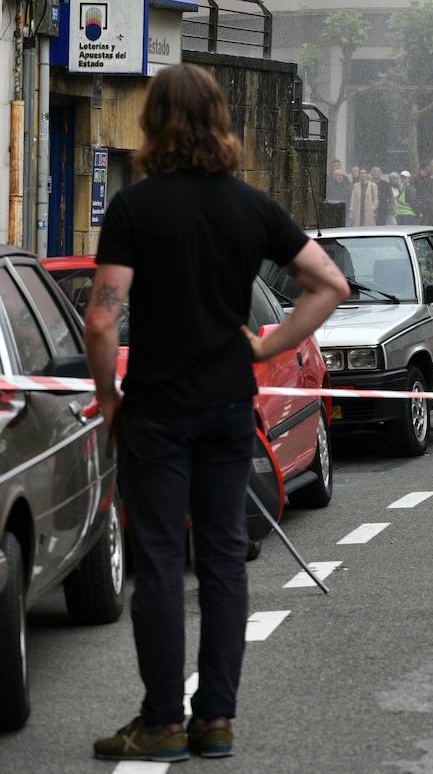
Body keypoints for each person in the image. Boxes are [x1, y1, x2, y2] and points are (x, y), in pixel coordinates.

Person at [86, 64, 349, 763]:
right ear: (220, 122)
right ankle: (217, 722)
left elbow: (101, 322)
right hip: (232, 408)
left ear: (153, 123)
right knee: (226, 560)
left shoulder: (135, 210)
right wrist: (271, 342)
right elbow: (329, 282)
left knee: (164, 560)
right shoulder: (250, 207)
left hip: (156, 413)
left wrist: (110, 400)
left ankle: (162, 721)